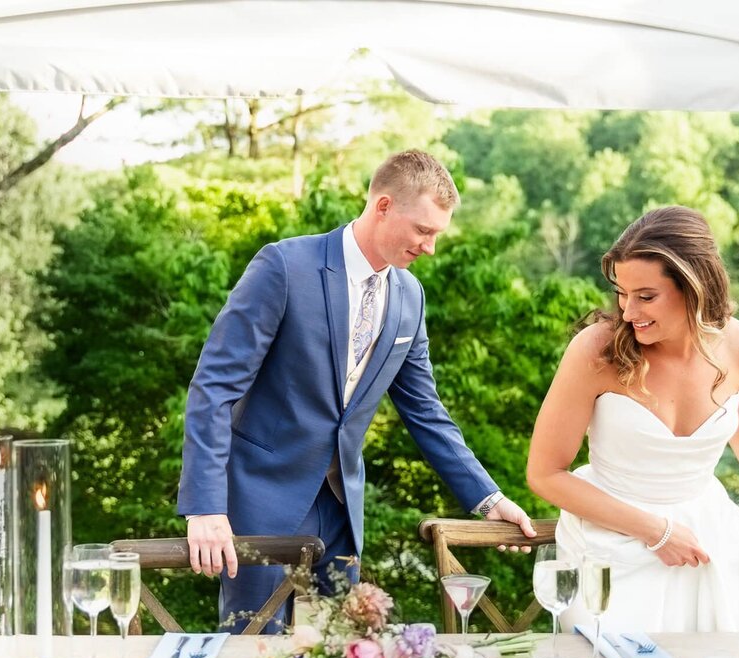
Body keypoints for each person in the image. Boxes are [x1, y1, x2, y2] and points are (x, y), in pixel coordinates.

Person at [178, 150, 536, 630]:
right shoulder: (284, 266)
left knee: (349, 657)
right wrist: (204, 506)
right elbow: (214, 388)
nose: (430, 248)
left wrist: (489, 500)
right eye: (423, 231)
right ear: (384, 206)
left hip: (342, 509)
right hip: (260, 502)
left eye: (437, 235)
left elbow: (426, 412)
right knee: (252, 651)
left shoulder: (410, 297)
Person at [527, 206, 739, 634]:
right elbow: (546, 475)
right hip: (611, 540)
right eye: (621, 293)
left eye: (646, 296)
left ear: (694, 287)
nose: (628, 311)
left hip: (709, 528)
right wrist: (655, 532)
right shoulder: (596, 352)